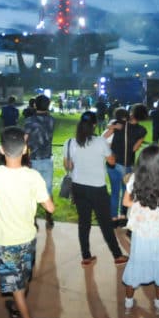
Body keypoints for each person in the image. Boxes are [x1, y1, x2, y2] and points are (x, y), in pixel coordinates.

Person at [0, 126, 55, 318]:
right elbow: (50, 208)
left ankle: (25, 317)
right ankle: (17, 306)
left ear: (1, 149)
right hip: (28, 238)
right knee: (23, 279)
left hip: (7, 241)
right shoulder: (33, 176)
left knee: (16, 286)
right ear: (26, 149)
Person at [63, 112, 128, 266]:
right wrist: (110, 151)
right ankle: (117, 255)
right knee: (105, 223)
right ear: (94, 125)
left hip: (78, 187)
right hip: (97, 189)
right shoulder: (100, 142)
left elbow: (68, 166)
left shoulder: (70, 142)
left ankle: (86, 256)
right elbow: (111, 162)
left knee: (83, 222)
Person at [121, 144, 159, 316]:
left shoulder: (134, 180)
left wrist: (140, 203)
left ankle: (129, 303)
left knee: (136, 263)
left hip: (141, 233)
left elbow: (126, 203)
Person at [108, 104, 148, 226]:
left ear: (131, 112)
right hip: (127, 164)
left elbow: (108, 128)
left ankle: (113, 218)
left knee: (115, 191)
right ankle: (123, 216)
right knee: (126, 190)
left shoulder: (120, 124)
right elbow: (135, 148)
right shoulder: (142, 131)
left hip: (113, 162)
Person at [23, 95, 57, 228]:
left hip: (33, 160)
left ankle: (33, 220)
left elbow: (24, 140)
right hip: (47, 159)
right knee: (47, 190)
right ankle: (49, 218)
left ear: (35, 105)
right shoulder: (52, 120)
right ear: (48, 106)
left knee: (31, 191)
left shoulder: (29, 121)